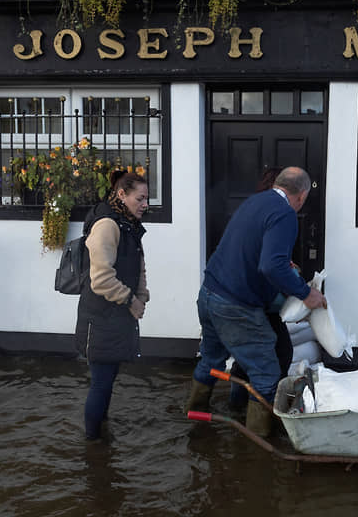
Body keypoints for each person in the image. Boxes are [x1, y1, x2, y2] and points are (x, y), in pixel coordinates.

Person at [184, 166, 327, 436]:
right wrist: (306, 293)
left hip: (209, 293)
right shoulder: (285, 213)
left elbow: (254, 252)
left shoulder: (256, 200)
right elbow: (271, 266)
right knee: (266, 374)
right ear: (303, 195)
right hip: (235, 304)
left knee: (211, 360)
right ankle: (256, 447)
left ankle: (195, 419)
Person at [75, 172, 150, 441]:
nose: (145, 204)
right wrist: (132, 301)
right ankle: (94, 445)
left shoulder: (128, 222)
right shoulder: (107, 225)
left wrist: (142, 294)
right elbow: (101, 279)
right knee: (101, 382)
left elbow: (138, 264)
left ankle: (101, 434)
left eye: (146, 198)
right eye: (140, 198)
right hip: (100, 317)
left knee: (108, 379)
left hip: (118, 315)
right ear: (121, 195)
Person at [229, 167, 296, 410]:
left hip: (251, 297)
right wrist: (301, 290)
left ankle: (241, 410)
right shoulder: (272, 213)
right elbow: (266, 263)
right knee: (277, 354)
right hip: (254, 299)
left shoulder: (254, 210)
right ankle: (258, 416)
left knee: (250, 357)